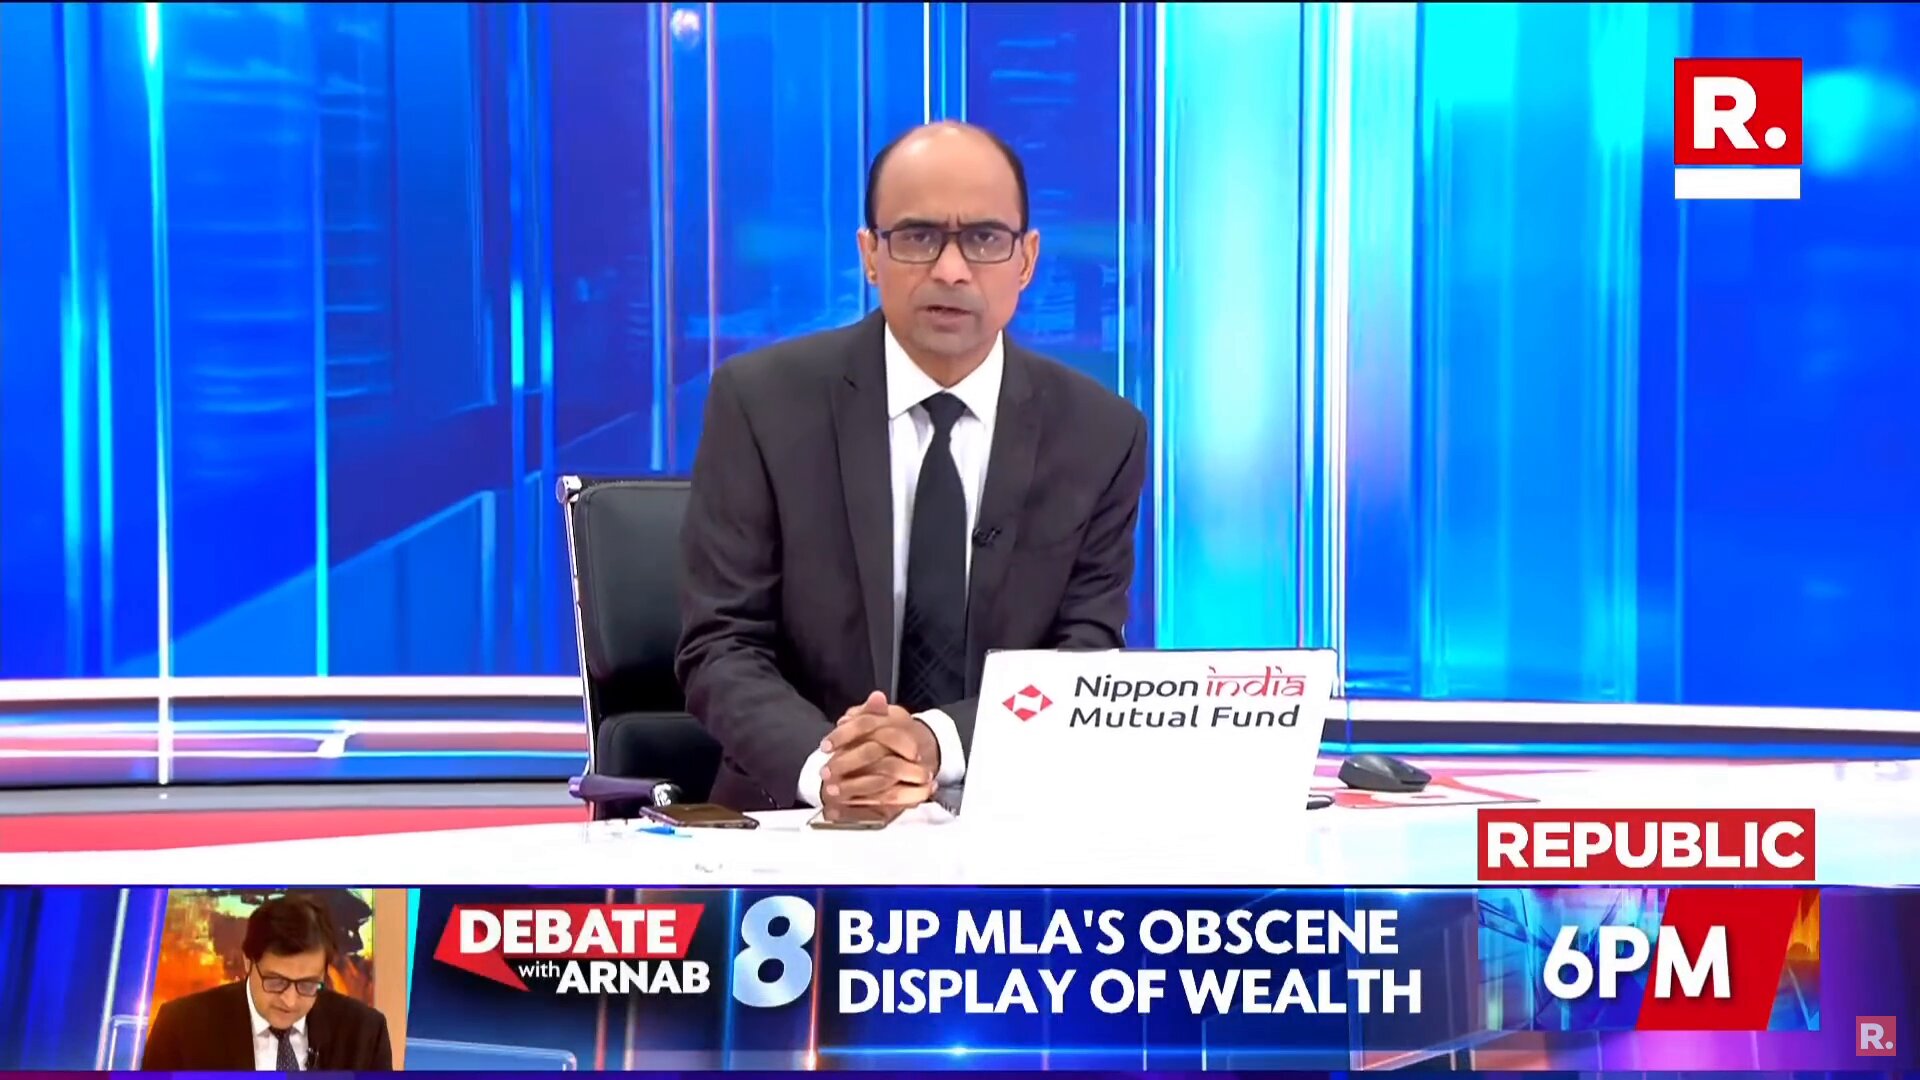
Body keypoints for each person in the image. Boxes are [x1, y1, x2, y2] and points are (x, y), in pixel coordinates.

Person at [676, 120, 1147, 812]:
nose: (951, 270)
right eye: (919, 237)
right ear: (870, 254)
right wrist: (832, 769)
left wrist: (933, 743)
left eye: (984, 238)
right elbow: (721, 644)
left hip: (1007, 814)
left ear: (1026, 259)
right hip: (795, 821)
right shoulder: (760, 403)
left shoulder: (1101, 433)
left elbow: (1084, 658)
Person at [140, 895, 394, 1071]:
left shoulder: (365, 1033)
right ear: (248, 962)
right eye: (276, 981)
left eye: (307, 985)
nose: (290, 1001)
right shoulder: (180, 1027)